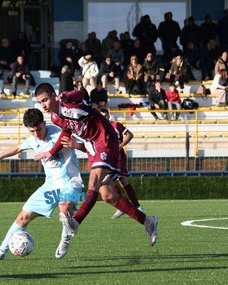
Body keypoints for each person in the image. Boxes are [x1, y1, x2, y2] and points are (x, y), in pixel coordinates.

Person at [34, 83, 158, 246]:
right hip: (92, 146)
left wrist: (68, 96)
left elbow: (81, 94)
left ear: (54, 96)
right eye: (40, 102)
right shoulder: (55, 118)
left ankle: (76, 222)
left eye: (45, 100)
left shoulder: (68, 100)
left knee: (93, 182)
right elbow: (67, 130)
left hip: (105, 138)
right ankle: (149, 221)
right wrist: (51, 152)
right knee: (108, 196)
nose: (43, 105)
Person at [0, 108, 84, 261]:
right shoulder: (33, 139)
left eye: (38, 129)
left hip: (72, 183)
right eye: (32, 131)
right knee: (23, 217)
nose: (36, 134)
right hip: (50, 187)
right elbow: (17, 148)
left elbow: (84, 146)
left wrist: (75, 145)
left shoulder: (59, 133)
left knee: (64, 207)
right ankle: (1, 252)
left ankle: (65, 240)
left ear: (45, 123)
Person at [99, 108, 144, 219]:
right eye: (102, 116)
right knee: (112, 182)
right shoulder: (100, 129)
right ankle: (121, 207)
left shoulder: (115, 125)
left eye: (105, 116)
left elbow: (130, 135)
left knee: (122, 180)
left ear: (108, 116)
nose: (104, 117)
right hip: (108, 157)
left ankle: (137, 207)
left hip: (118, 157)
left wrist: (120, 145)